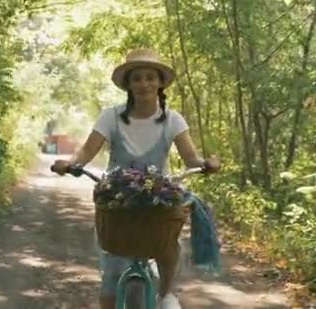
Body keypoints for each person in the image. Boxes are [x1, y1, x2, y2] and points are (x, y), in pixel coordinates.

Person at [52, 48, 220, 309]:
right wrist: (70, 164)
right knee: (111, 274)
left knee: (167, 241)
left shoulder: (172, 119)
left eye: (150, 77)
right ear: (128, 84)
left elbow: (191, 160)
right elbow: (87, 151)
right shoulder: (111, 117)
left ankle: (166, 294)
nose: (144, 84)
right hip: (117, 197)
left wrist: (206, 164)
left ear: (160, 83)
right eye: (137, 78)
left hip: (158, 198)